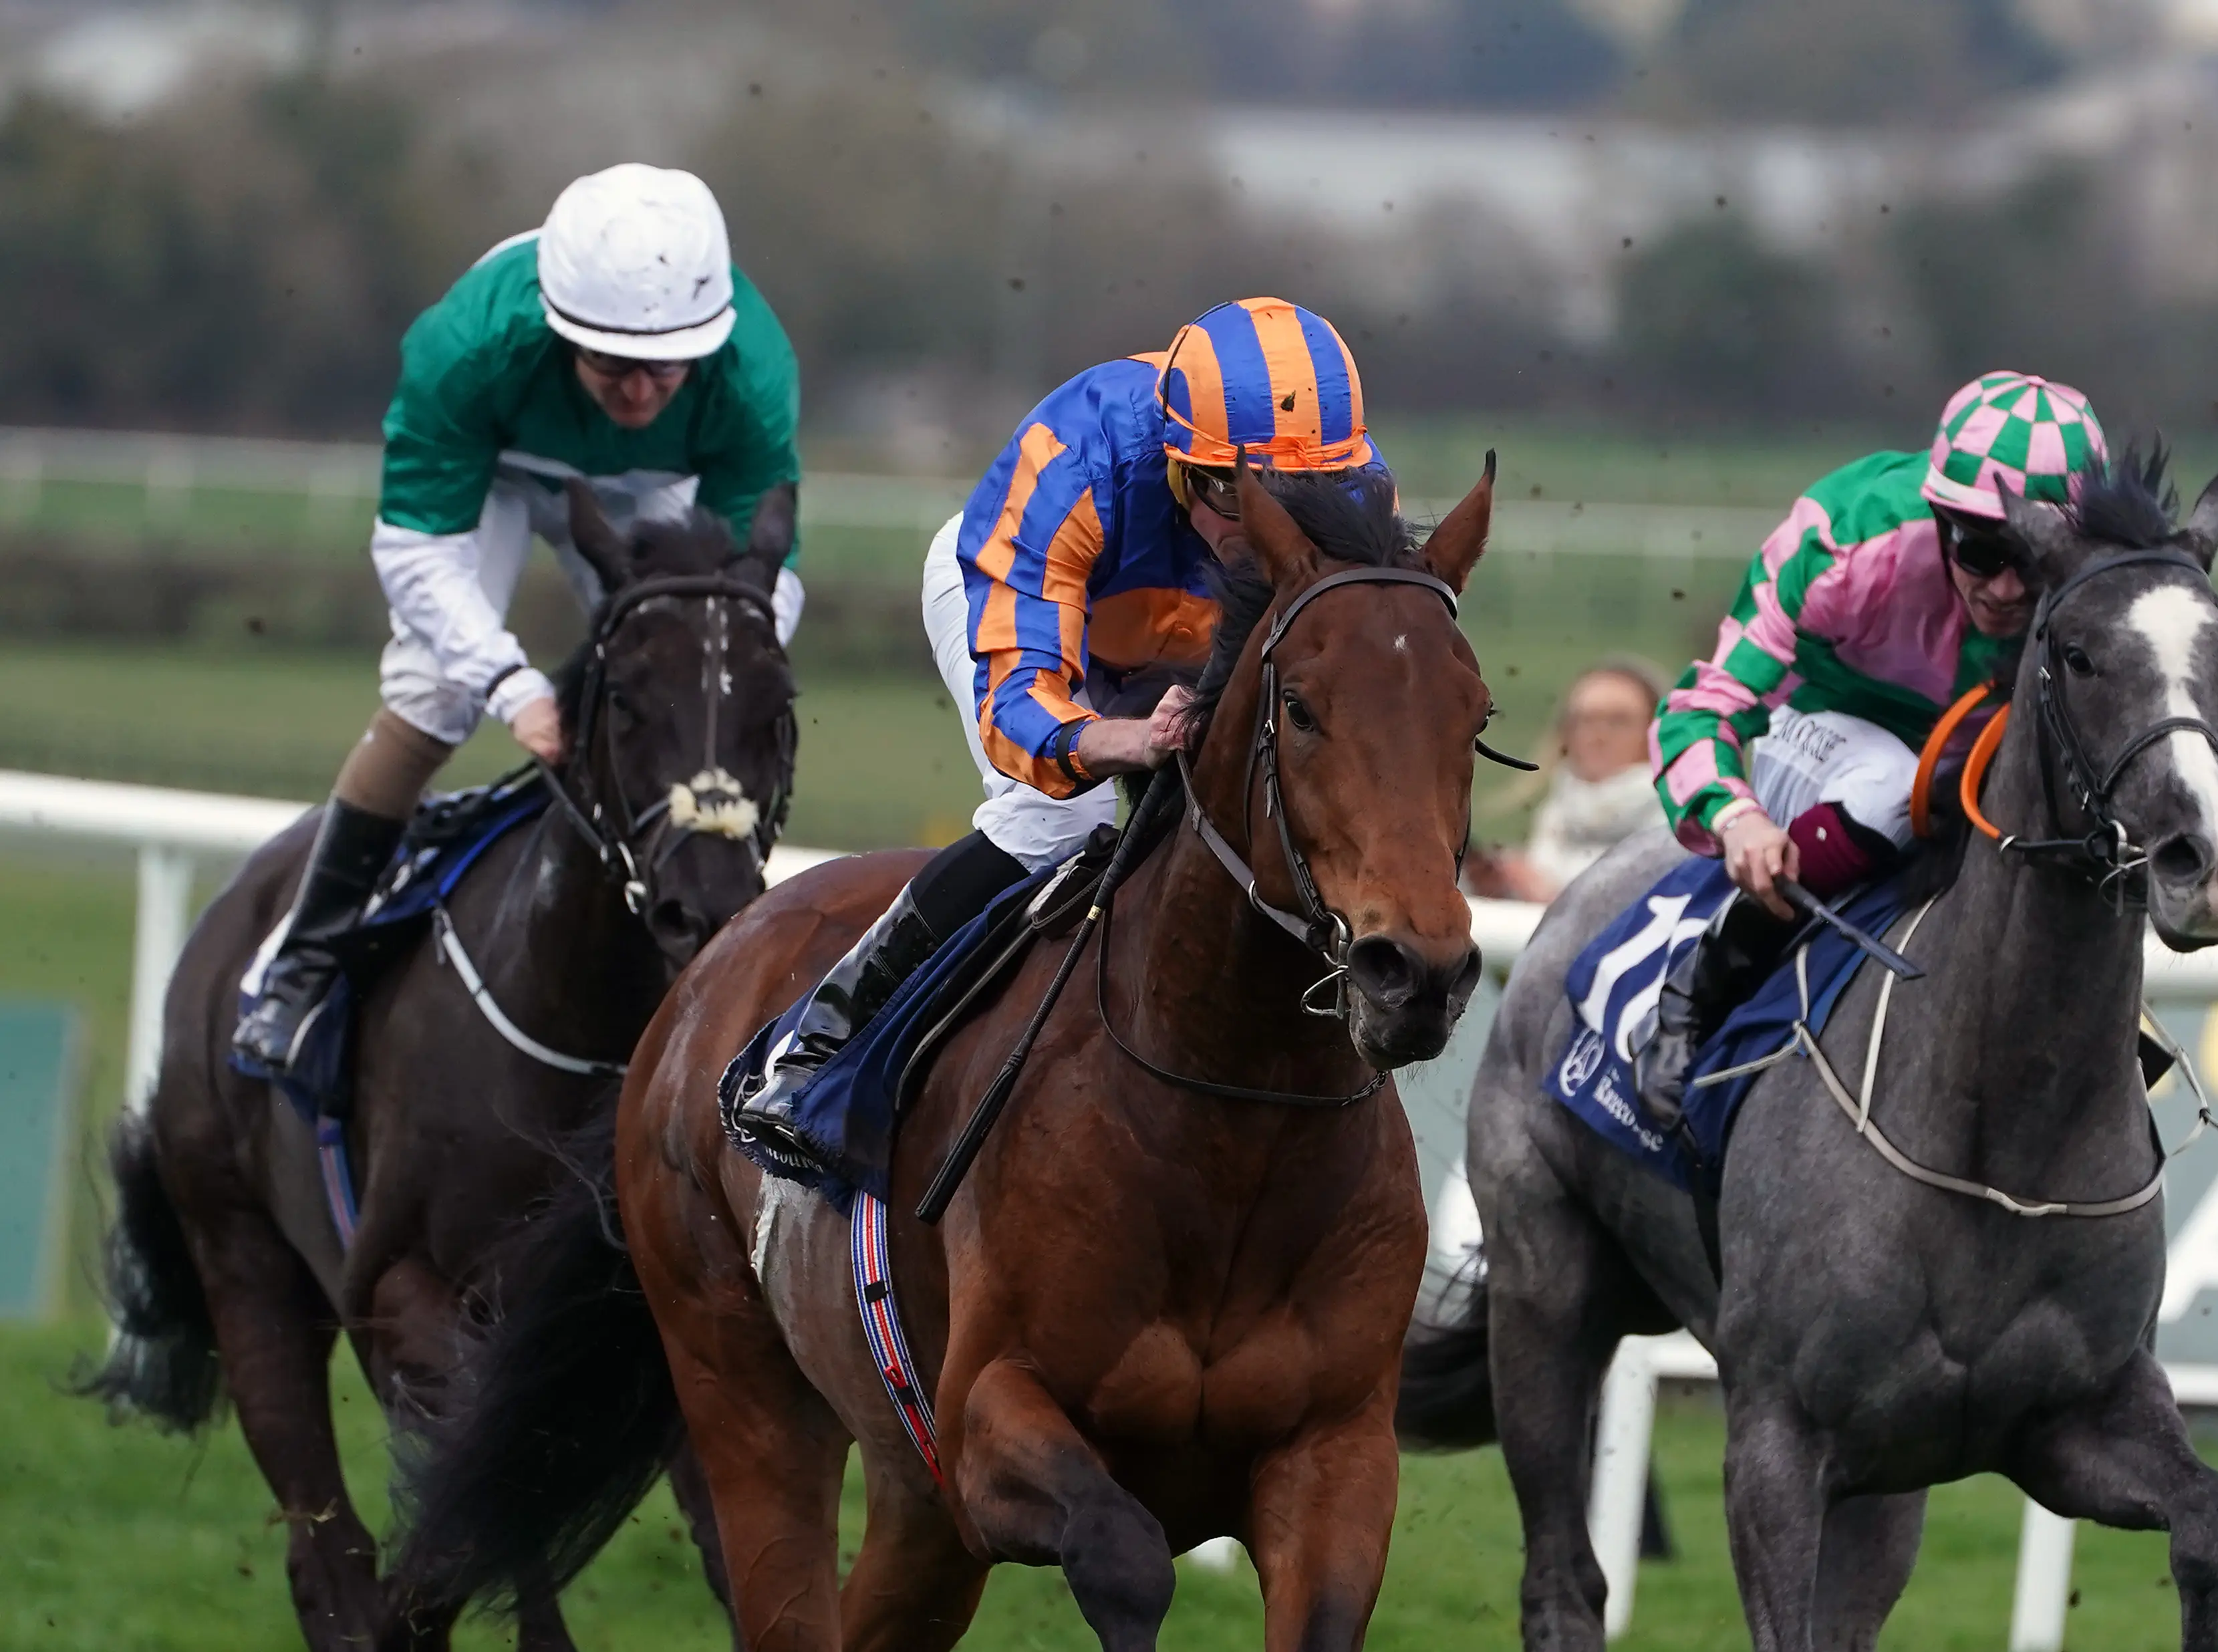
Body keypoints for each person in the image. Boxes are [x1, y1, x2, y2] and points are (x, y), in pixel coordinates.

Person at [728, 297, 1381, 1157]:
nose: (1263, 527)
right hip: (1028, 606)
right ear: (1179, 466)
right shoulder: (1076, 457)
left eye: (1297, 497)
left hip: (1192, 640)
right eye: (1233, 491)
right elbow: (1019, 710)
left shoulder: (1354, 490)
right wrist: (1122, 740)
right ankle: (821, 1045)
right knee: (1059, 815)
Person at [233, 163, 804, 1073]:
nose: (640, 394)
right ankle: (301, 963)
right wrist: (510, 685)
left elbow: (755, 584)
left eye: (665, 367)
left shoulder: (752, 368)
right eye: (611, 364)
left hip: (650, 492)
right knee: (434, 693)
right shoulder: (468, 345)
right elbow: (415, 549)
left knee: (686, 686)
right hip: (495, 473)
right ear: (558, 326)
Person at [1631, 371, 2106, 1121]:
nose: (2008, 590)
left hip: (1975, 764)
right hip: (1822, 735)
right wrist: (1736, 818)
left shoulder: (2100, 583)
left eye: (2032, 558)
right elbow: (1700, 708)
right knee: (1895, 783)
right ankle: (1699, 986)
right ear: (1941, 519)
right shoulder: (1848, 540)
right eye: (1981, 553)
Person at [1466, 660, 1667, 904]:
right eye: (1585, 719)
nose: (1598, 735)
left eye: (1618, 720)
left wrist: (1551, 897)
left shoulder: (1677, 824)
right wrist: (1504, 887)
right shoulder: (1555, 814)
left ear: (1656, 730)